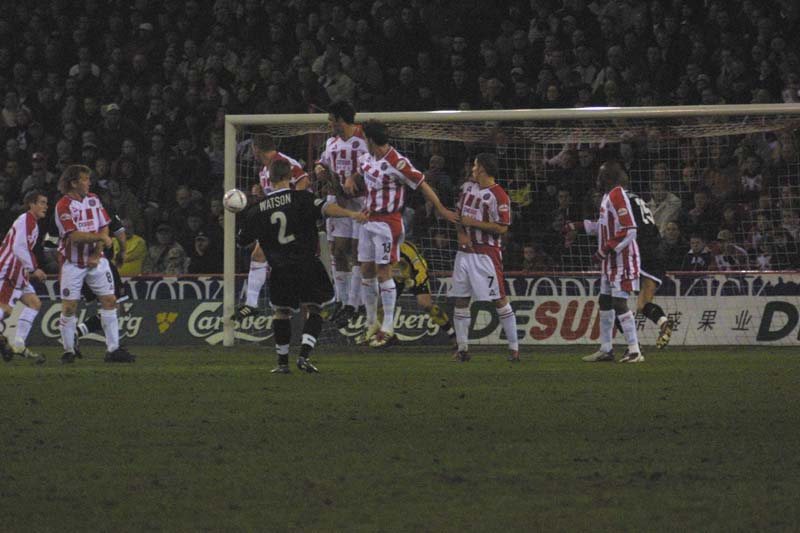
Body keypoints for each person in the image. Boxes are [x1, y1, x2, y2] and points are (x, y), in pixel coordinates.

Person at [237, 159, 366, 374]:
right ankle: (304, 356)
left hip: (280, 269)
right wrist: (352, 214)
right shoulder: (302, 198)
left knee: (281, 313)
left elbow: (242, 241)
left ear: (269, 179)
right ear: (289, 177)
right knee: (316, 309)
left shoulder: (257, 209)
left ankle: (282, 363)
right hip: (307, 264)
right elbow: (327, 208)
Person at [351, 120, 457, 348]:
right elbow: (360, 171)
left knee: (384, 272)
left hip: (388, 223)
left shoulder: (397, 163)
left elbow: (422, 183)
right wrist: (352, 178)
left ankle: (388, 327)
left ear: (370, 140)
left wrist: (440, 208)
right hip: (367, 220)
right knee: (365, 270)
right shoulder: (366, 157)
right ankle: (371, 324)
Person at [564, 183, 674, 349]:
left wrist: (579, 229)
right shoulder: (636, 198)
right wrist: (576, 226)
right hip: (658, 253)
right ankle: (663, 322)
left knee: (614, 302)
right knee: (643, 304)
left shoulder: (616, 199)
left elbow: (610, 228)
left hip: (639, 252)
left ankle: (634, 345)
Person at [54, 165, 135, 363]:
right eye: (85, 179)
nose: (89, 182)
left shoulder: (94, 200)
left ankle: (113, 350)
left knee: (110, 301)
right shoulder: (63, 206)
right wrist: (100, 238)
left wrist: (97, 253)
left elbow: (104, 226)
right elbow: (73, 236)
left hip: (97, 262)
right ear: (74, 183)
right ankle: (68, 351)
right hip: (72, 263)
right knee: (70, 306)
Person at [449, 153, 520, 362]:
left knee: (499, 300)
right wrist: (461, 232)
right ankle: (462, 349)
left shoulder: (499, 196)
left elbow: (502, 228)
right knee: (461, 299)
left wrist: (474, 223)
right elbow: (458, 215)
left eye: (475, 165)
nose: (472, 169)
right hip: (464, 253)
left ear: (482, 169)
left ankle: (514, 349)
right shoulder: (467, 188)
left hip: (486, 255)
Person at [234, 133, 309, 320]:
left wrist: (290, 205)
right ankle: (251, 304)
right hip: (276, 221)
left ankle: (305, 306)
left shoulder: (284, 162)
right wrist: (259, 194)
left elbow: (304, 181)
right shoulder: (263, 171)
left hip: (295, 220)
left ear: (256, 150)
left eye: (253, 150)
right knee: (259, 255)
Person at [579, 160, 643, 363]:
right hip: (610, 263)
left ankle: (634, 350)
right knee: (605, 301)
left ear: (608, 177)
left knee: (619, 302)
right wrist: (577, 226)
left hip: (622, 260)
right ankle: (606, 348)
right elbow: (604, 226)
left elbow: (629, 229)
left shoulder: (617, 194)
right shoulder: (607, 197)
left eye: (600, 175)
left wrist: (604, 250)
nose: (597, 179)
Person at [314, 101, 368, 328]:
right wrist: (319, 167)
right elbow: (323, 163)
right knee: (338, 250)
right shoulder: (331, 142)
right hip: (337, 199)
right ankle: (341, 299)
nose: (329, 124)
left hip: (360, 200)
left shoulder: (362, 140)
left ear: (340, 120)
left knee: (356, 251)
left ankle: (353, 305)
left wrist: (354, 177)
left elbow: (372, 164)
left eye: (330, 119)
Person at [364, 241, 457, 350]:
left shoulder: (405, 248)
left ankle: (454, 337)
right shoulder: (377, 249)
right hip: (395, 277)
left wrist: (414, 280)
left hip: (415, 274)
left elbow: (420, 267)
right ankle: (389, 337)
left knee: (426, 304)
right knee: (380, 306)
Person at [0, 190, 48, 364]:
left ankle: (17, 342)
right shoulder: (26, 220)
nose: (46, 207)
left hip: (19, 271)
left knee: (34, 303)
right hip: (9, 270)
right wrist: (34, 268)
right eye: (42, 203)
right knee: (4, 308)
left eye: (46, 203)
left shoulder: (32, 223)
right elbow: (19, 248)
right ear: (31, 204)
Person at [75, 206, 128, 350]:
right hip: (101, 264)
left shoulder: (65, 210)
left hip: (76, 266)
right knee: (114, 306)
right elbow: (119, 231)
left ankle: (76, 333)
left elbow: (50, 246)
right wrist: (122, 251)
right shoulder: (100, 208)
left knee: (108, 306)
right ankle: (113, 348)